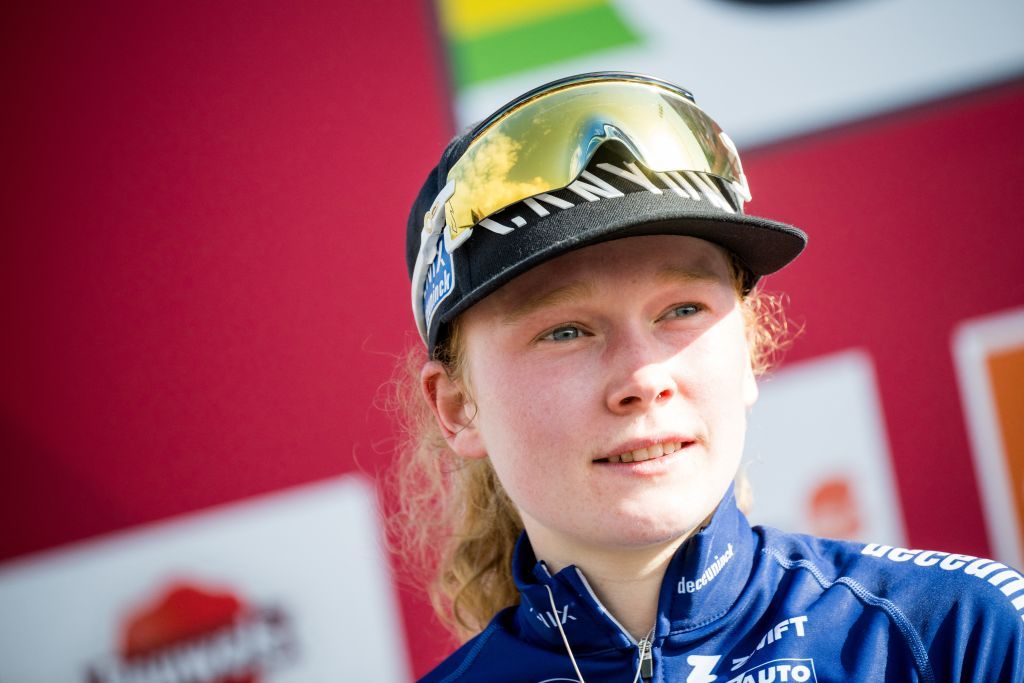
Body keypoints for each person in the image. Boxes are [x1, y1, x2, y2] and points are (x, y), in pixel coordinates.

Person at [393, 72, 1023, 682]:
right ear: (457, 407)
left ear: (749, 350)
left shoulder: (958, 636)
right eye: (566, 331)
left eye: (681, 310)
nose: (643, 377)